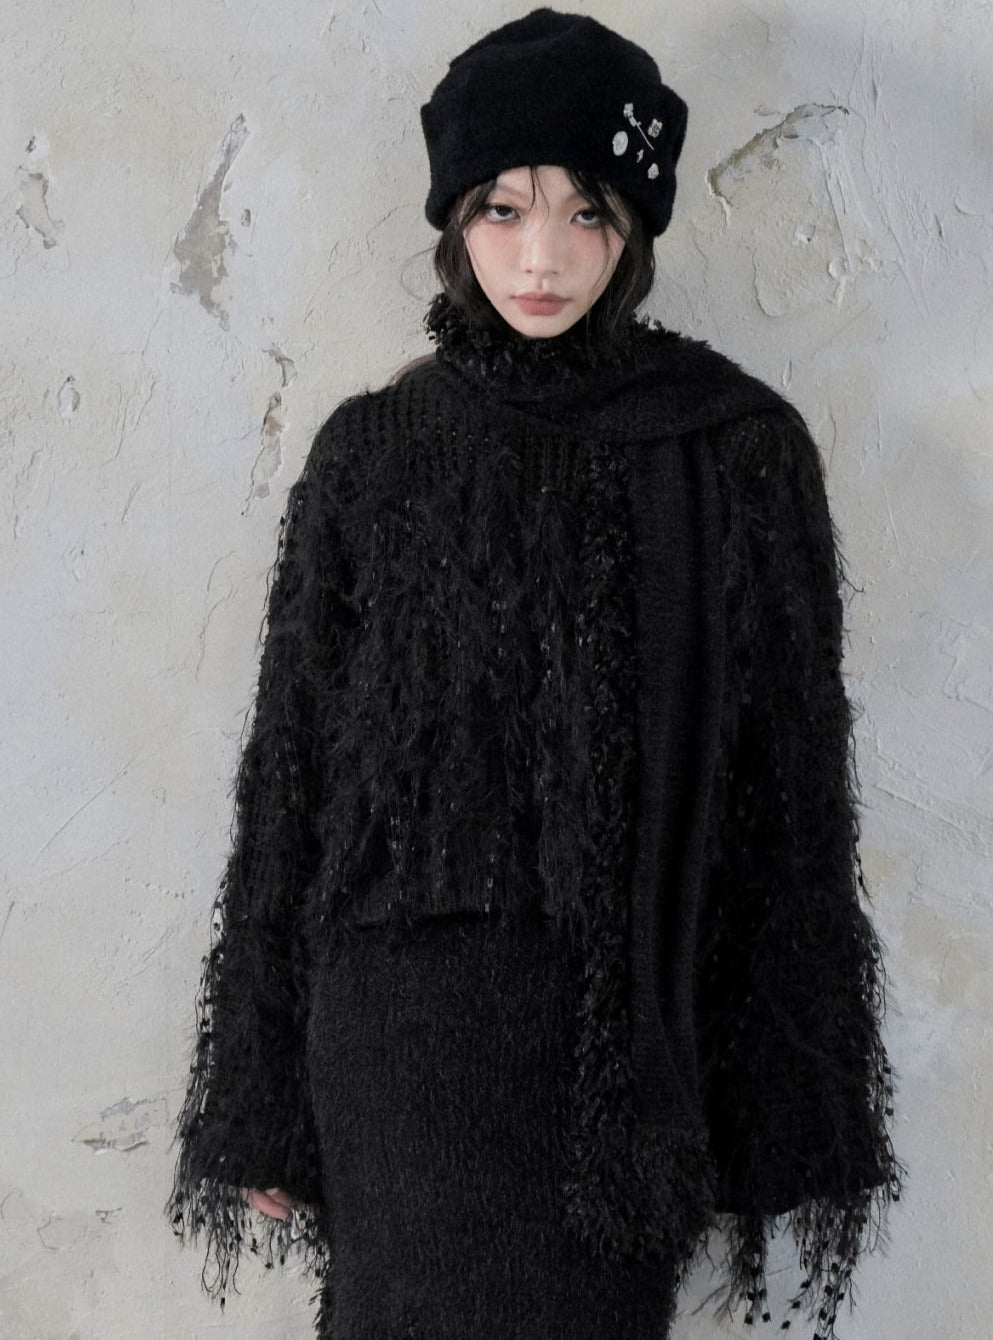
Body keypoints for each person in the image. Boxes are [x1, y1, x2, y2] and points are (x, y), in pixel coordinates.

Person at [168, 9, 902, 1339]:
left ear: (634, 228)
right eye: (501, 210)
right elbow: (291, 788)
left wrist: (789, 1116)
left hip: (614, 1052)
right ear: (454, 222)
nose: (542, 256)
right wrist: (258, 1100)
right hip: (394, 1049)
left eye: (585, 211)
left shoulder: (731, 449)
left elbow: (788, 801)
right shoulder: (373, 453)